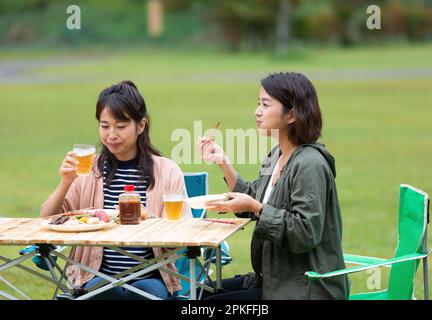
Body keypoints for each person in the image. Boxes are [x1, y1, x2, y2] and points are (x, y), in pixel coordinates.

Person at [197, 72, 350, 300]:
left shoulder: (310, 164)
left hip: (305, 289)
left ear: (291, 115)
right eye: (258, 103)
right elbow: (253, 198)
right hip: (273, 277)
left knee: (207, 304)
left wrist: (257, 208)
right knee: (198, 292)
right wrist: (224, 163)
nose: (257, 111)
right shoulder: (277, 155)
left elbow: (304, 233)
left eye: (265, 105)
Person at [40, 80, 192, 300]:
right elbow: (46, 219)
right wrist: (65, 182)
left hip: (152, 276)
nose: (111, 134)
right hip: (94, 274)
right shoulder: (89, 171)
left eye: (120, 126)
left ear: (141, 126)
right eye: (104, 125)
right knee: (104, 290)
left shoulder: (167, 171)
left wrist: (150, 219)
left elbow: (180, 237)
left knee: (144, 293)